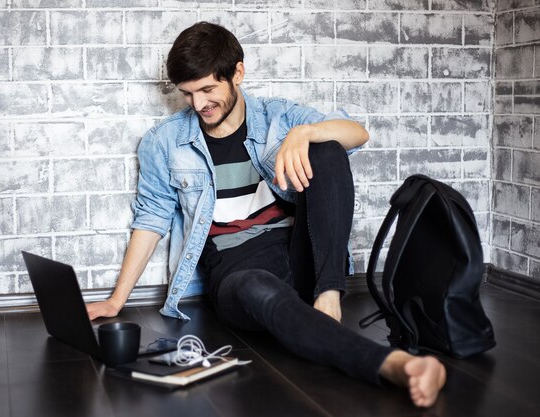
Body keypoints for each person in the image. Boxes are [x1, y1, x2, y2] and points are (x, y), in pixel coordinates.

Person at [87, 22, 446, 408]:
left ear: (237, 73)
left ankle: (328, 298)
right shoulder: (164, 142)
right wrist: (115, 300)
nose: (198, 104)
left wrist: (304, 134)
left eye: (208, 90)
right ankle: (394, 365)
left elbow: (357, 133)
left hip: (299, 256)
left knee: (326, 148)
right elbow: (152, 217)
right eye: (188, 93)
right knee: (259, 289)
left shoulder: (276, 116)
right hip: (237, 273)